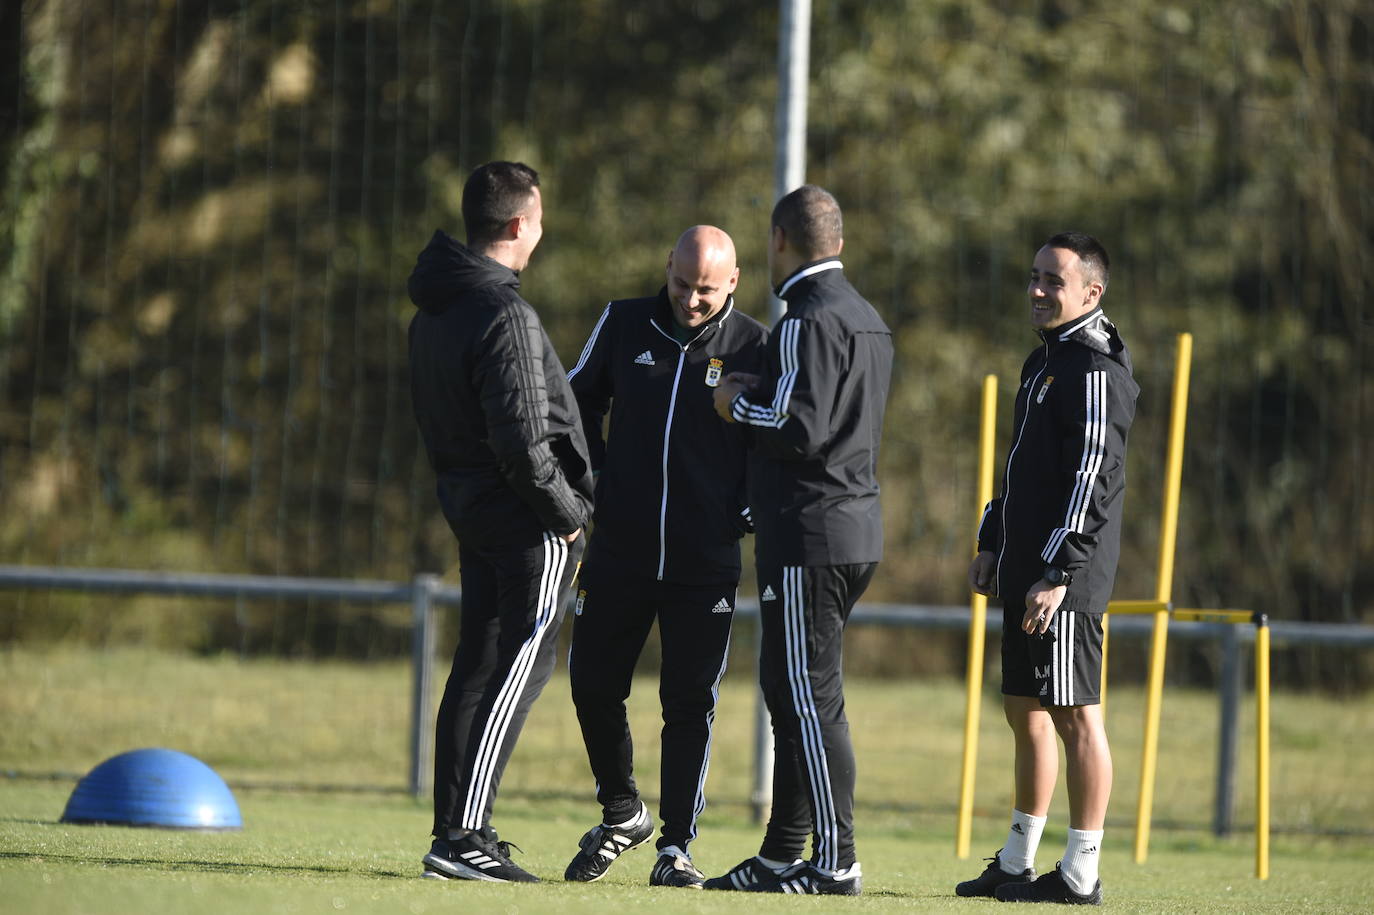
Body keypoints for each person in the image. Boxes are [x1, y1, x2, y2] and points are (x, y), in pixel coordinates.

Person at [561, 226, 768, 888]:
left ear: (732, 282)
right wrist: (590, 485)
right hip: (618, 549)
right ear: (667, 271)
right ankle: (623, 810)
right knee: (591, 682)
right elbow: (571, 403)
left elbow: (778, 442)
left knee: (687, 703)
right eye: (681, 284)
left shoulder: (757, 347)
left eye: (706, 289)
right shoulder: (624, 323)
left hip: (703, 562)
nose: (691, 299)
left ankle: (676, 846)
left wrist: (743, 509)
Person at [406, 161, 593, 883]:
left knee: (480, 664)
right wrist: (569, 516)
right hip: (525, 521)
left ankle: (457, 829)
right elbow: (522, 440)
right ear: (519, 225)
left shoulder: (437, 308)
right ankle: (462, 839)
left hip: (472, 511)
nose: (541, 231)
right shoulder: (504, 313)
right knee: (521, 663)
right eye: (539, 219)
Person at [707, 185, 893, 896]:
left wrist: (731, 399)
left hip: (809, 535)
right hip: (853, 528)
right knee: (793, 692)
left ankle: (836, 858)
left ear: (779, 240)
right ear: (838, 242)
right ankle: (783, 852)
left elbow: (796, 425)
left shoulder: (802, 321)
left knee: (809, 697)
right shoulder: (869, 319)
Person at [957, 232, 1138, 905]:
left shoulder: (1096, 369)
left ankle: (1081, 871)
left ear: (1092, 292)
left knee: (1075, 715)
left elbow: (1092, 479)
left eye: (1053, 281)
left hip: (1064, 577)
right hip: (1026, 566)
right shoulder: (1044, 363)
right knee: (1022, 707)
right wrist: (992, 539)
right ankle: (1016, 859)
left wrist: (1057, 571)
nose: (1037, 290)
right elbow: (1019, 468)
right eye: (1033, 276)